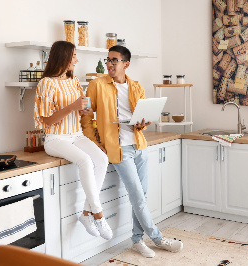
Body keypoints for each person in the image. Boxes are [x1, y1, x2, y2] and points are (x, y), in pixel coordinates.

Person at [81, 45, 183, 258]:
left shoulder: (136, 87)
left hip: (139, 146)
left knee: (141, 197)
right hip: (118, 149)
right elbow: (86, 117)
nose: (110, 64)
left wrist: (142, 124)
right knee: (137, 196)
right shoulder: (96, 85)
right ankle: (157, 238)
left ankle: (137, 240)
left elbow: (142, 118)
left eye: (114, 60)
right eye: (108, 60)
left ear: (126, 64)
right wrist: (94, 142)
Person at [34, 41, 112, 240]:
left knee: (102, 159)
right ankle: (98, 214)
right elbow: (46, 120)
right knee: (85, 161)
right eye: (73, 56)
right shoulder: (46, 83)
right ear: (63, 57)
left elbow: (81, 107)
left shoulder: (73, 80)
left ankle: (86, 214)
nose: (77, 59)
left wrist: (86, 109)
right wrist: (72, 107)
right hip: (55, 138)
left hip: (76, 135)